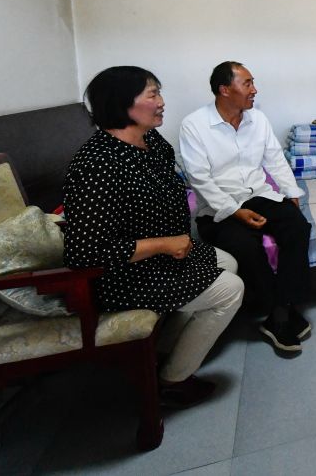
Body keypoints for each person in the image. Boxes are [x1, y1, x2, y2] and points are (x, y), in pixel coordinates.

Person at [63, 66, 244, 408]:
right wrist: (164, 244)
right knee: (230, 290)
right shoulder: (96, 165)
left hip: (162, 256)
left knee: (229, 262)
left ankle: (162, 352)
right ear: (122, 104)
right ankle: (171, 382)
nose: (161, 102)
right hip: (124, 275)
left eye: (159, 93)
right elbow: (84, 254)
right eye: (152, 95)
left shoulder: (151, 143)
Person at [179, 61, 312, 357]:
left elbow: (275, 159)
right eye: (247, 83)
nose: (255, 90)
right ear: (225, 90)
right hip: (217, 206)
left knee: (298, 227)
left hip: (258, 193)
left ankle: (282, 308)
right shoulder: (194, 125)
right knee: (245, 246)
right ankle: (278, 314)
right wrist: (234, 211)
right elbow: (199, 178)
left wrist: (291, 192)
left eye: (253, 83)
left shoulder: (258, 119)